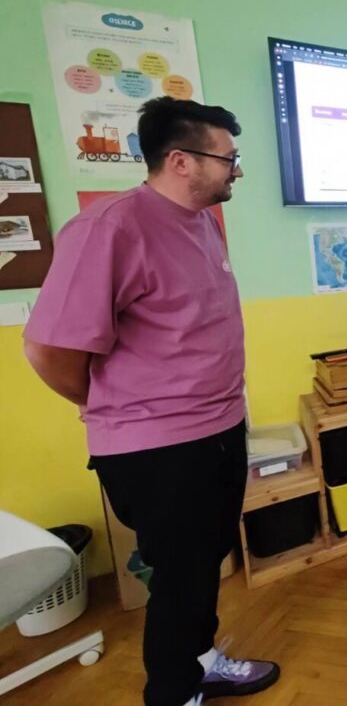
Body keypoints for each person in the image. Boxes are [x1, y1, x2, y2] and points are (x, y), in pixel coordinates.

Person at [23, 97, 279, 706]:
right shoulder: (110, 228)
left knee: (205, 561)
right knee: (180, 577)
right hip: (160, 446)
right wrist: (110, 403)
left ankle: (200, 659)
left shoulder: (202, 222)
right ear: (181, 160)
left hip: (219, 428)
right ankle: (172, 692)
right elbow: (48, 350)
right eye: (229, 158)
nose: (238, 169)